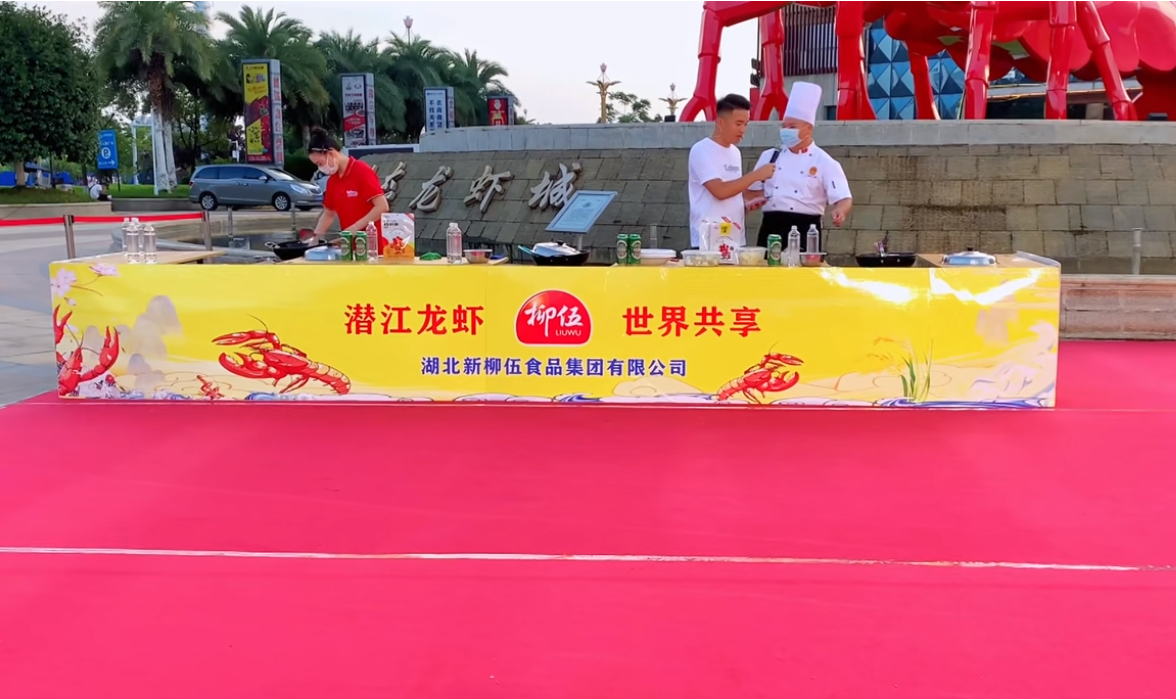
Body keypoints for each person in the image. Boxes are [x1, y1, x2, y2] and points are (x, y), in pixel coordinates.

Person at [748, 82, 853, 251]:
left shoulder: (824, 161)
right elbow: (752, 191)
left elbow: (843, 197)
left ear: (808, 129)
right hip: (771, 227)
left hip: (806, 230)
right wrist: (753, 201)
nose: (786, 131)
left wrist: (840, 211)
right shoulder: (769, 156)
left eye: (792, 127)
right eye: (784, 126)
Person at [687, 94, 776, 249]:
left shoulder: (735, 152)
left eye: (746, 124)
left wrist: (745, 204)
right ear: (720, 123)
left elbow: (733, 189)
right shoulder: (701, 150)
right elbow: (720, 191)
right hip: (708, 240)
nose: (742, 130)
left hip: (734, 238)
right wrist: (756, 175)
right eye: (738, 123)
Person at [308, 127, 389, 245]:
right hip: (350, 246)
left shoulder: (361, 171)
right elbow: (328, 214)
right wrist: (315, 238)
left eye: (320, 163)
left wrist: (354, 228)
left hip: (373, 245)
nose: (320, 168)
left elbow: (382, 207)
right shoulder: (332, 181)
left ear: (331, 153)